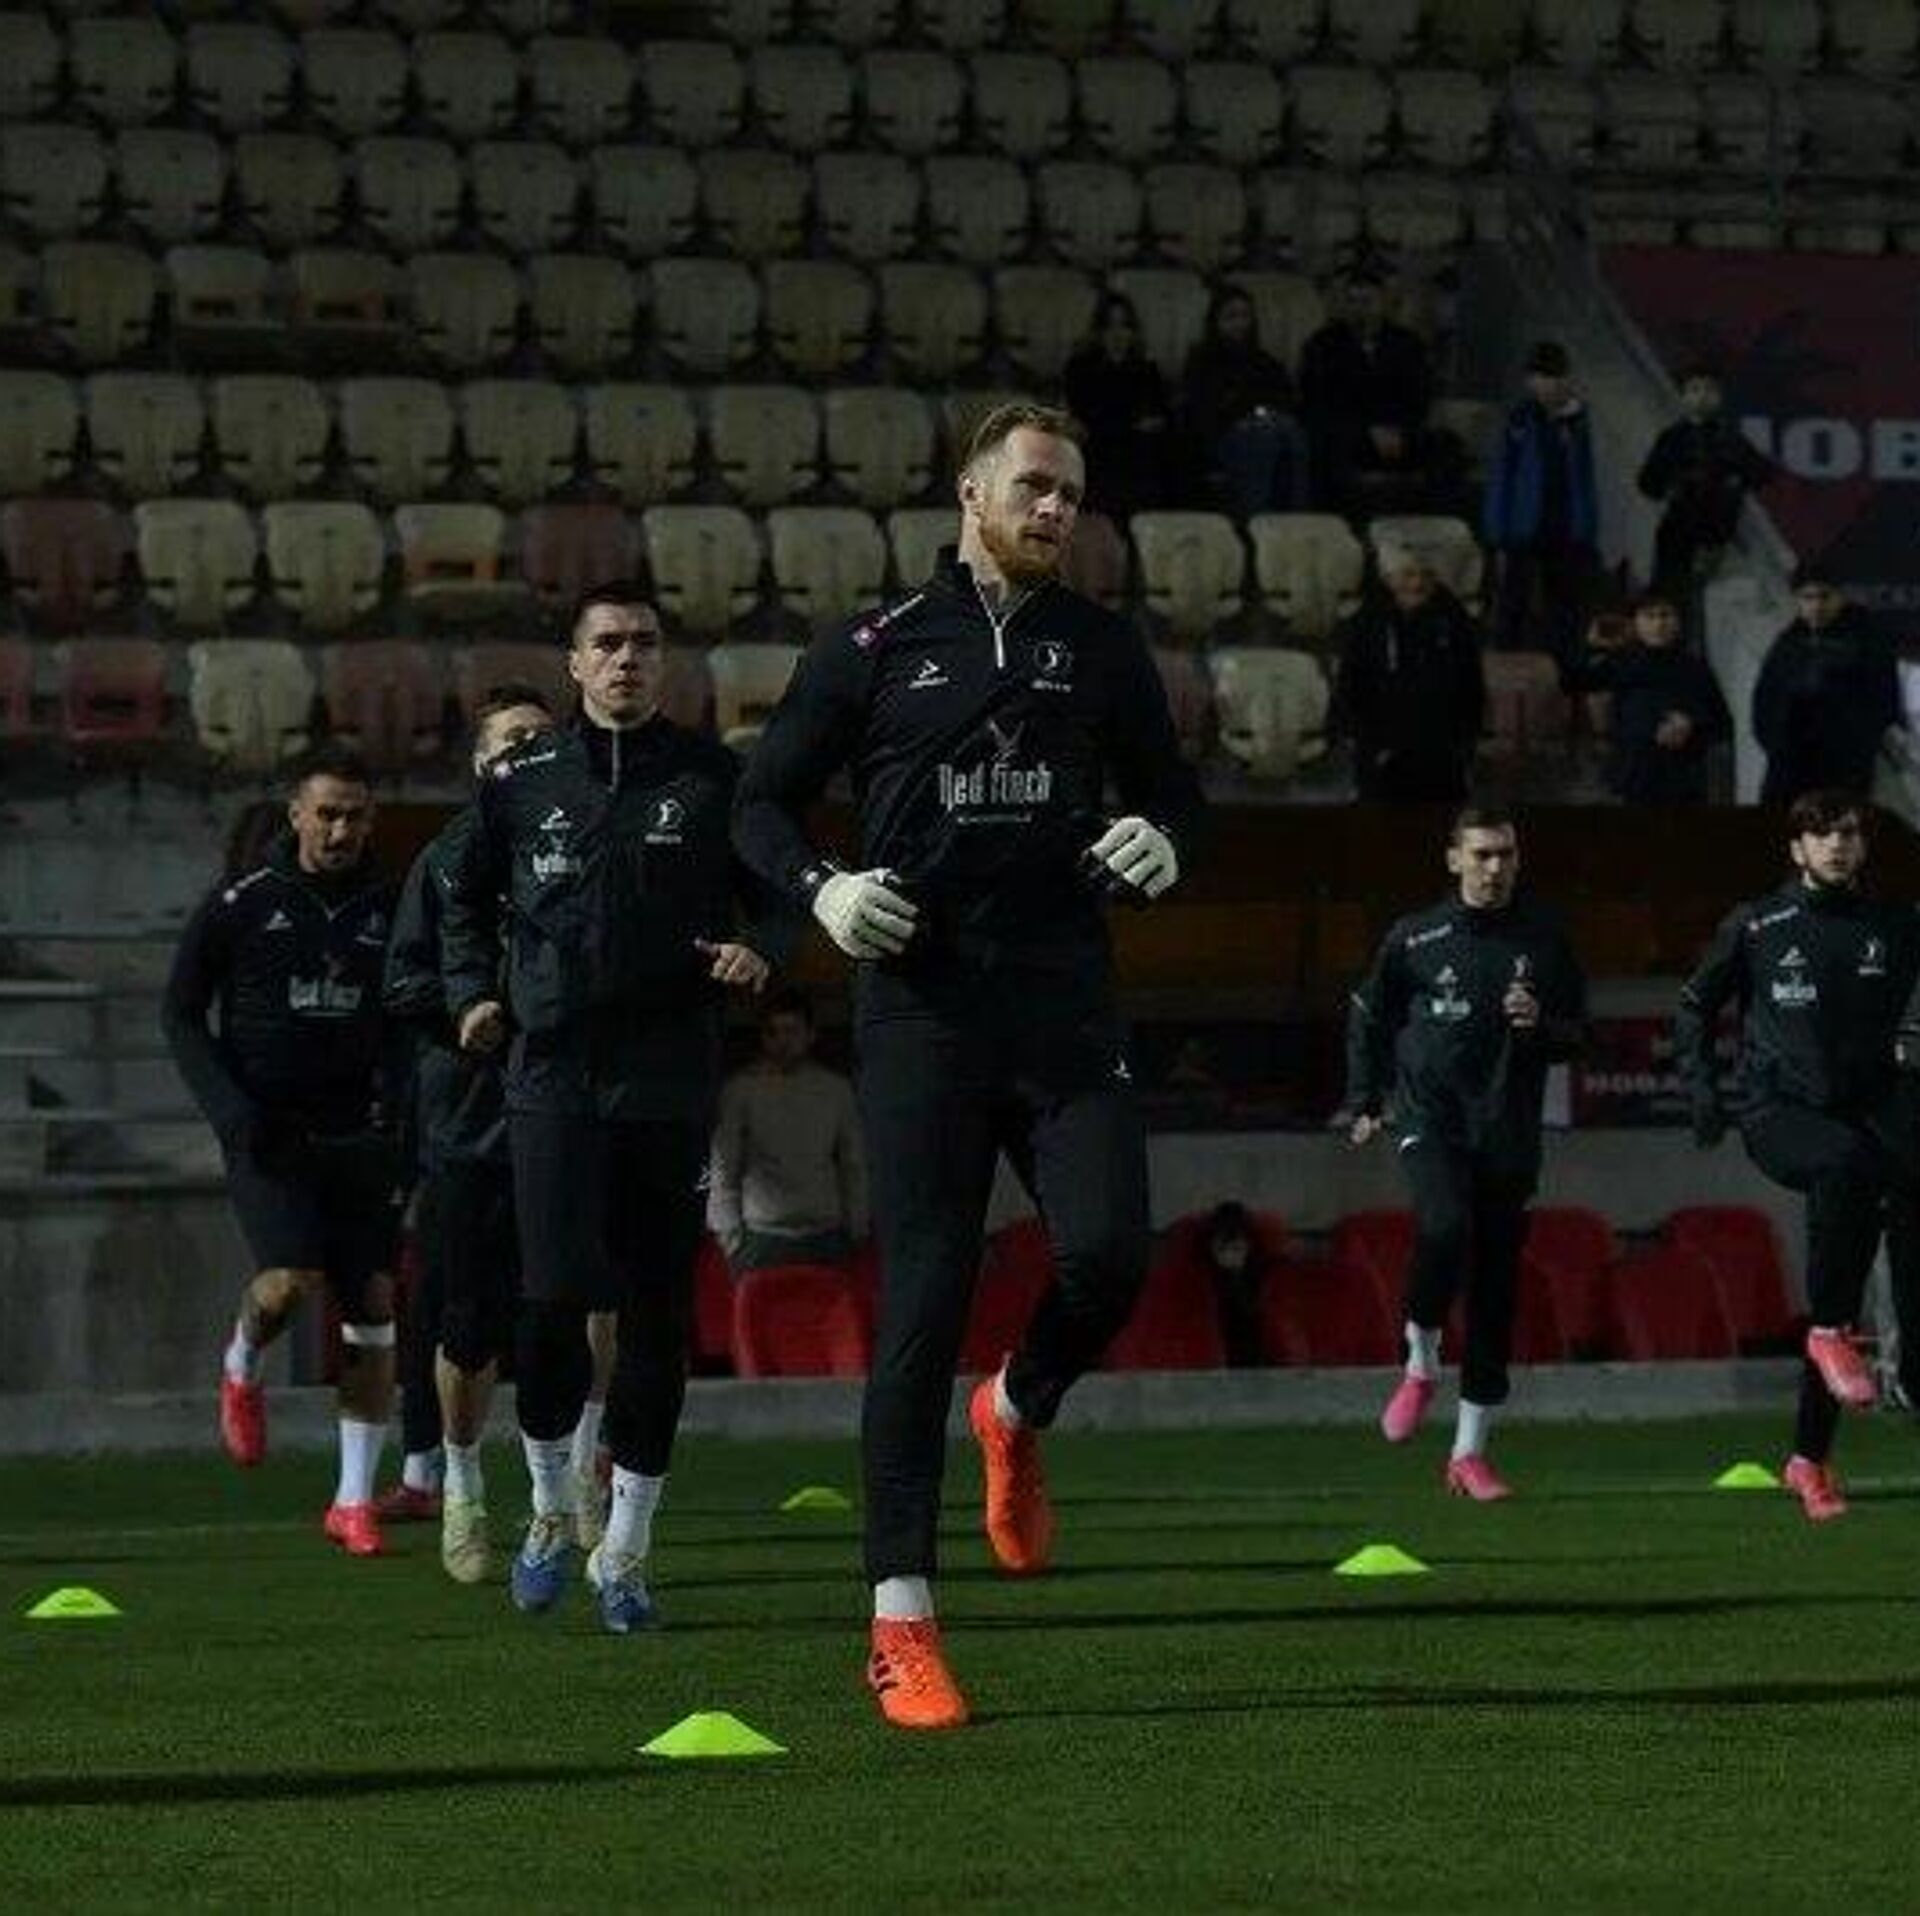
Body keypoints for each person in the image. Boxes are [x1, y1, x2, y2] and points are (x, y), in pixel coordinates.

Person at [734, 400, 1205, 1731]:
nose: (1057, 510)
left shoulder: (1103, 648)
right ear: (971, 492)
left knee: (1111, 1255)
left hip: (1063, 1005)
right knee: (923, 1304)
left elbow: (1177, 792)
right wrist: (822, 891)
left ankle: (1018, 1405)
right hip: (921, 1015)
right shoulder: (872, 646)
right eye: (1036, 486)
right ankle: (901, 1624)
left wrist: (1170, 840)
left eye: (1073, 495)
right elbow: (756, 804)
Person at [441, 585, 800, 1634]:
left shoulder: (713, 778)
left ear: (663, 661)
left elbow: (783, 892)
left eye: (644, 642)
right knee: (551, 1300)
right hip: (552, 1078)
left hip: (668, 1079)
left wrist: (763, 950)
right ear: (575, 664)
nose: (626, 658)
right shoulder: (520, 782)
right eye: (607, 643)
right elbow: (458, 898)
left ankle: (630, 1549)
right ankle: (551, 1508)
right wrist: (469, 992)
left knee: (655, 1317)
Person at [383, 683, 621, 1584]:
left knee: (587, 1300)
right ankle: (462, 1482)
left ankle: (580, 1476)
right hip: (474, 1124)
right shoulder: (446, 860)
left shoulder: (587, 842)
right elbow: (404, 984)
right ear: (482, 765)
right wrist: (474, 1013)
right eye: (510, 742)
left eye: (540, 739)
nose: (528, 753)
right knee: (469, 1325)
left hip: (573, 1107)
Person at [162, 745, 403, 1558]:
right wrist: (230, 1110)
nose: (340, 830)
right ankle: (242, 1361)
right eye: (327, 813)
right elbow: (180, 1013)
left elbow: (413, 1015)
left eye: (355, 816)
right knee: (289, 1284)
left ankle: (352, 1501)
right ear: (296, 813)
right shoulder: (242, 903)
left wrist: (403, 1112)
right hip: (270, 1133)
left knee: (374, 1306)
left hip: (360, 1135)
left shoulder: (390, 905)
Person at [1675, 790, 1920, 1520]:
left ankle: (1809, 1459)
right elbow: (1694, 1005)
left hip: (1866, 1127)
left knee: (1854, 1276)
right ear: (1797, 849)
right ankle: (1827, 1339)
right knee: (1844, 1181)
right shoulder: (1758, 925)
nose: (1837, 845)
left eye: (1849, 834)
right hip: (1780, 1114)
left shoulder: (1893, 925)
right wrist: (1704, 1094)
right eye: (1822, 834)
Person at [1337, 803, 1587, 1499]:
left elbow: (1579, 1034)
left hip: (1508, 1129)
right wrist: (1364, 1098)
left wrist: (1541, 1025)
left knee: (1496, 1287)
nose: (1494, 867)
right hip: (1431, 1119)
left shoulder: (1545, 938)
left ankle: (1469, 1452)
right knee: (1443, 1226)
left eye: (1505, 854)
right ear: (1453, 860)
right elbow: (1367, 1014)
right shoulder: (1416, 938)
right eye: (1481, 854)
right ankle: (1420, 1357)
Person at [708, 988, 866, 1274]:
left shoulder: (836, 1090)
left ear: (810, 1035)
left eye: (792, 1031)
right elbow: (723, 1164)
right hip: (760, 1236)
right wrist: (729, 1234)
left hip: (826, 1235)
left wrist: (857, 1226)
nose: (783, 1041)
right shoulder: (741, 1090)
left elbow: (853, 1162)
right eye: (773, 1032)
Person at [1329, 546, 1486, 802]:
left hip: (1441, 755)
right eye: (1408, 574)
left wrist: (1464, 742)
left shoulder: (1454, 620)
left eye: (1427, 575)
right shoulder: (1367, 622)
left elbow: (1472, 684)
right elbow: (1350, 685)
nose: (1417, 584)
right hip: (1382, 752)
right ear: (1388, 578)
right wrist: (1365, 741)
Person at [1484, 341, 1599, 670]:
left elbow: (1585, 478)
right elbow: (1502, 476)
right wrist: (1497, 532)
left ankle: (1564, 671)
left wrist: (1586, 528)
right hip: (1522, 528)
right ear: (1529, 381)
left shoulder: (1577, 421)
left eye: (1557, 376)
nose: (1550, 385)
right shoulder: (1519, 419)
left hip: (1565, 529)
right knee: (1512, 603)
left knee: (1565, 608)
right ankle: (1505, 669)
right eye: (1542, 377)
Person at [1752, 560, 1900, 806]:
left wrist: (1854, 747)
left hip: (1843, 771)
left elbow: (1884, 702)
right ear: (1797, 600)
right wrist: (1778, 746)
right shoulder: (1787, 644)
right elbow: (1765, 701)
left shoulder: (1866, 640)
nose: (1816, 606)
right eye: (1807, 598)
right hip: (1789, 768)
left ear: (1839, 596)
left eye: (1824, 596)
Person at [1636, 366, 1773, 621]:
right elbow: (1647, 483)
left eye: (1709, 389)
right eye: (1694, 389)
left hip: (1720, 540)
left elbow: (1763, 474)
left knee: (1716, 617)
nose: (1702, 396)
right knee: (1670, 609)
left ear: (1719, 396)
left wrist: (1733, 481)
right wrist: (1674, 484)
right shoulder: (1672, 438)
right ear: (1684, 396)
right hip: (1677, 536)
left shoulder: (1731, 439)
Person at [1570, 591, 1730, 805]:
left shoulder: (1695, 668)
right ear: (1636, 623)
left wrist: (1691, 725)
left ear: (1678, 622)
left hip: (1683, 783)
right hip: (1635, 780)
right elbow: (1575, 681)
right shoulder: (1623, 662)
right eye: (1649, 616)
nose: (1658, 624)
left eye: (1665, 615)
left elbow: (1722, 725)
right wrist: (1591, 647)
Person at [1298, 269, 1435, 516]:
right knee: (1327, 443)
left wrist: (1398, 430)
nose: (1360, 309)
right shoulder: (1323, 344)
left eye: (1367, 301)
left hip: (1398, 431)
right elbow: (1318, 400)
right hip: (1348, 431)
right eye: (1352, 301)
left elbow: (1419, 395)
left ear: (1383, 303)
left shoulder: (1407, 343)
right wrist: (1367, 431)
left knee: (1444, 446)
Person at [1179, 285, 1307, 518]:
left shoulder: (1265, 362)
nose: (1239, 323)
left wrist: (1255, 409)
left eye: (1245, 316)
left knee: (1291, 432)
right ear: (1215, 322)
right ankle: (1255, 520)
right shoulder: (1202, 361)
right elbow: (1206, 413)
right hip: (1221, 439)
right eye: (1231, 316)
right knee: (1265, 437)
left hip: (1269, 430)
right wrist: (1249, 411)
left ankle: (1295, 519)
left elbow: (1284, 399)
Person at [1061, 292, 1171, 519]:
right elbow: (1083, 419)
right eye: (1110, 326)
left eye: (1124, 326)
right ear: (1099, 331)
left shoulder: (1147, 370)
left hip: (1135, 451)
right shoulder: (1080, 368)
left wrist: (1115, 423)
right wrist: (1127, 424)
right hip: (1095, 450)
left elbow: (1157, 419)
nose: (1117, 333)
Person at [1198, 1200, 1268, 1368]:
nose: (1229, 1255)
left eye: (1236, 1248)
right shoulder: (1200, 1279)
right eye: (1223, 1248)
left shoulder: (1263, 1276)